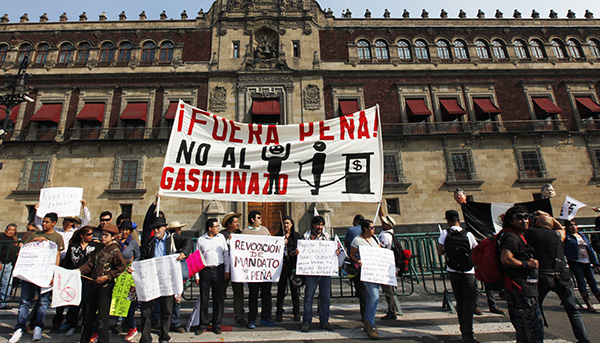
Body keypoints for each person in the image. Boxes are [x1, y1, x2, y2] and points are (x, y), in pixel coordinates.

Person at [526, 214, 590, 343]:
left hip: (543, 276)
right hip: (562, 276)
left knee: (535, 311)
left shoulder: (531, 233)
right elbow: (561, 227)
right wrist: (549, 217)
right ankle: (583, 339)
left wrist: (537, 219)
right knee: (573, 311)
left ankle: (537, 339)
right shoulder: (558, 235)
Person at [9, 212, 64, 343]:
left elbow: (57, 257)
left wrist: (53, 274)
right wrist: (34, 241)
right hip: (30, 273)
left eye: (47, 222)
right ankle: (19, 327)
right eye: (43, 221)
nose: (44, 224)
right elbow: (23, 248)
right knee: (24, 301)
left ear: (54, 223)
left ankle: (38, 326)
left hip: (45, 274)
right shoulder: (34, 234)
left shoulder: (57, 237)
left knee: (43, 302)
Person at [138, 216, 190, 343]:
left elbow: (188, 241)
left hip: (167, 279)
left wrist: (183, 253)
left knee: (166, 309)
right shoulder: (149, 242)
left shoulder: (173, 238)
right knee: (146, 310)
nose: (156, 230)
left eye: (158, 227)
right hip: (152, 278)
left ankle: (164, 335)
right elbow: (143, 258)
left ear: (164, 228)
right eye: (154, 228)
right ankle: (145, 337)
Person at [499, 206, 543, 343]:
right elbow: (506, 259)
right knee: (529, 327)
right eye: (519, 217)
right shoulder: (511, 237)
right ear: (510, 220)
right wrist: (526, 264)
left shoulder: (515, 235)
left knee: (525, 326)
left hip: (521, 287)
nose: (524, 220)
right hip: (519, 287)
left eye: (526, 217)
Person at [78, 223, 127, 343]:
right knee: (89, 315)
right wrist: (78, 270)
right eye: (102, 235)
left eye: (106, 235)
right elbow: (90, 263)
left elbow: (121, 266)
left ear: (113, 236)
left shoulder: (115, 250)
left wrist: (108, 277)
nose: (103, 237)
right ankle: (84, 340)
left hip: (105, 287)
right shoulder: (99, 248)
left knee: (102, 318)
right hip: (94, 285)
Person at [437, 210, 479, 343]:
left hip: (453, 270)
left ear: (448, 221)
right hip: (468, 272)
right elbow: (475, 250)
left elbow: (439, 251)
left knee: (460, 301)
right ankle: (468, 333)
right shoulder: (468, 234)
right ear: (459, 220)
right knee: (469, 302)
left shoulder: (445, 233)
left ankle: (463, 329)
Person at [60, 225, 102, 337]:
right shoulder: (73, 246)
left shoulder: (95, 246)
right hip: (74, 278)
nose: (91, 236)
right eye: (88, 234)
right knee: (74, 302)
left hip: (88, 279)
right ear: (82, 236)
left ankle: (86, 325)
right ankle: (71, 323)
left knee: (87, 302)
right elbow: (68, 261)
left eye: (92, 234)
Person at [192, 218, 230, 335]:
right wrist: (196, 275)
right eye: (216, 226)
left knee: (218, 298)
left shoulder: (221, 238)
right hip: (205, 271)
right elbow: (196, 257)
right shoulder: (201, 240)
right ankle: (203, 323)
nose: (218, 228)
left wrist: (227, 270)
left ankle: (216, 323)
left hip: (218, 269)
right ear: (210, 228)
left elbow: (226, 254)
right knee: (204, 298)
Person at [300, 216, 335, 332]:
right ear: (313, 225)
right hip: (311, 271)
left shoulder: (327, 237)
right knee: (308, 297)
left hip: (325, 271)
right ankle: (306, 322)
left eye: (321, 225)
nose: (320, 227)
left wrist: (336, 252)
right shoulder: (306, 236)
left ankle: (324, 321)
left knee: (325, 297)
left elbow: (331, 250)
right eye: (318, 225)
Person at [241, 210, 275, 328]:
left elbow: (272, 244)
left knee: (266, 294)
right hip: (253, 270)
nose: (261, 220)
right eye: (259, 218)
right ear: (252, 220)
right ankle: (252, 319)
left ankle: (266, 316)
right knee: (253, 294)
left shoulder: (265, 230)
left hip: (265, 269)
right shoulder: (245, 232)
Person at [349, 219, 381, 340]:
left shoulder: (375, 239)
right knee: (374, 296)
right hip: (366, 272)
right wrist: (358, 261)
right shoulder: (357, 240)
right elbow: (351, 255)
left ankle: (367, 322)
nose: (374, 229)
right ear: (365, 229)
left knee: (370, 297)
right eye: (372, 228)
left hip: (376, 271)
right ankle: (371, 324)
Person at [563, 219, 600, 312]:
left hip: (586, 261)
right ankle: (588, 303)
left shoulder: (582, 235)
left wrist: (595, 262)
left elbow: (590, 249)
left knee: (593, 282)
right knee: (581, 282)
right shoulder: (567, 237)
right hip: (576, 262)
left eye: (575, 225)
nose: (573, 227)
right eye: (571, 225)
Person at [114, 220, 140, 342]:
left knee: (130, 302)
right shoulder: (115, 242)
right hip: (117, 275)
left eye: (126, 230)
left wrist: (132, 265)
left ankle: (132, 327)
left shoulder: (133, 243)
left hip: (129, 276)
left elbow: (138, 257)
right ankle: (118, 322)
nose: (124, 232)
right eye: (122, 229)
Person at [219, 212, 247, 327]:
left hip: (237, 268)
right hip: (225, 268)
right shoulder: (221, 235)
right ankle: (218, 316)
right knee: (220, 293)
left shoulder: (240, 234)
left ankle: (239, 315)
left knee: (239, 292)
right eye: (235, 222)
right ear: (229, 224)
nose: (237, 224)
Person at [165, 220, 192, 333]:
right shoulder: (174, 237)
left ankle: (170, 322)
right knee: (175, 299)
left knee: (172, 299)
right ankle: (174, 322)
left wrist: (184, 253)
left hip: (169, 273)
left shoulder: (168, 239)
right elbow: (188, 241)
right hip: (171, 274)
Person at [275, 215, 300, 322]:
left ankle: (296, 312)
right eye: (284, 223)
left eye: (287, 223)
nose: (285, 225)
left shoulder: (296, 236)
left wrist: (297, 252)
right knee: (281, 290)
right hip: (282, 266)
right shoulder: (278, 236)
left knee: (295, 290)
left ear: (291, 225)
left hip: (293, 265)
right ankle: (279, 311)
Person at [377, 206, 399, 320]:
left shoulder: (386, 236)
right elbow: (382, 216)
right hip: (387, 264)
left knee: (388, 289)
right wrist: (380, 204)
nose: (382, 223)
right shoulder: (388, 231)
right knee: (388, 289)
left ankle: (392, 311)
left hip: (385, 265)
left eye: (384, 223)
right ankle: (392, 310)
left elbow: (381, 248)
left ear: (388, 225)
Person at [345, 214, 366, 323]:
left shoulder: (351, 230)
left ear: (357, 221)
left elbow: (347, 243)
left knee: (361, 289)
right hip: (366, 264)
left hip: (355, 263)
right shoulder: (368, 233)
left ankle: (365, 315)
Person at [0, 224, 18, 309]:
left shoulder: (14, 240)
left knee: (7, 284)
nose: (11, 232)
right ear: (6, 230)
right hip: (1, 263)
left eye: (13, 230)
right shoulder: (1, 237)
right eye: (10, 230)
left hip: (9, 264)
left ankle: (4, 302)